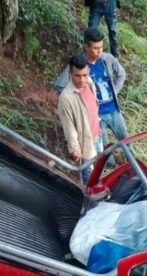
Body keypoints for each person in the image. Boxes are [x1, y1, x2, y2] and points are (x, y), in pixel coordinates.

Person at [55, 28, 128, 146]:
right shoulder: (79, 65)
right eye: (95, 48)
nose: (99, 51)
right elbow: (60, 86)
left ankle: (133, 163)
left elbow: (121, 74)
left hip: (113, 110)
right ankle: (109, 164)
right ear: (86, 47)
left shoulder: (107, 59)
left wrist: (114, 90)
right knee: (104, 150)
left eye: (101, 47)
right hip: (95, 115)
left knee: (127, 141)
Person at [57, 53, 103, 184]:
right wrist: (75, 149)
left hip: (98, 136)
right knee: (89, 179)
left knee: (99, 170)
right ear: (70, 74)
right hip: (85, 143)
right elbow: (68, 126)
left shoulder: (89, 83)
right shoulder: (66, 98)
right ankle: (91, 202)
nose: (82, 80)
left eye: (85, 75)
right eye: (77, 76)